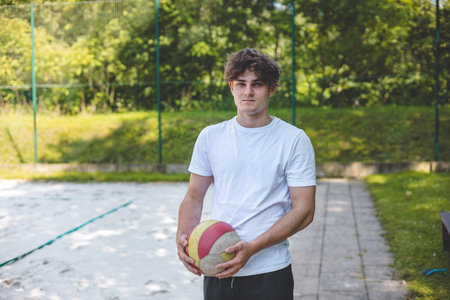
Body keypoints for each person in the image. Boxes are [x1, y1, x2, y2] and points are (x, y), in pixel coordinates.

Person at [176, 48, 316, 300]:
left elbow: (304, 210)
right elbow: (194, 196)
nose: (248, 92)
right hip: (217, 267)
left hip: (269, 271)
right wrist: (184, 236)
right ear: (231, 87)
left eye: (257, 84)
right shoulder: (210, 136)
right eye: (241, 84)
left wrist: (253, 248)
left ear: (271, 89)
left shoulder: (294, 140)